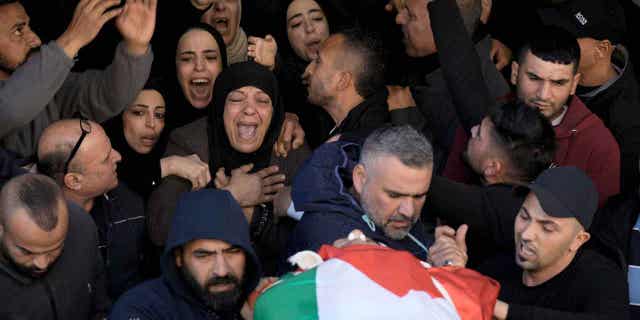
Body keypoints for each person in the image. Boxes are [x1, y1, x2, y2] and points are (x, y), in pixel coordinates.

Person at [148, 61, 310, 275]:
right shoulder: (189, 143)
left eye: (262, 101)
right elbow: (161, 229)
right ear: (220, 107)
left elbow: (309, 241)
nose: (250, 109)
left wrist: (254, 216)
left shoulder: (289, 146)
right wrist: (230, 197)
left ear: (274, 112)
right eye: (236, 99)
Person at [430, 167, 629, 319]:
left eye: (547, 227)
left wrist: (499, 308)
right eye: (525, 216)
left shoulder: (601, 279)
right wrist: (453, 274)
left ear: (578, 240)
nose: (526, 234)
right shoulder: (497, 267)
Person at [0, 0, 156, 159]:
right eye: (18, 31)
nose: (35, 39)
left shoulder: (49, 84)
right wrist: (72, 40)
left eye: (29, 27)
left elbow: (106, 97)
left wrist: (135, 48)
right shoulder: (36, 85)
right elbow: (8, 111)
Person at [425, 100, 557, 266]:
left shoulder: (503, 207)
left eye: (479, 134)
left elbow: (420, 183)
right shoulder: (527, 190)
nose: (472, 130)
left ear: (492, 168)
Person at [286, 125, 434, 269]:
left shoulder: (389, 213)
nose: (408, 211)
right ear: (360, 178)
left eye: (419, 196)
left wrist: (444, 264)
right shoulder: (326, 236)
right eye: (394, 195)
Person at [37, 119, 147, 299]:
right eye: (105, 159)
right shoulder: (35, 235)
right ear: (74, 181)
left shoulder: (130, 205)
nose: (118, 156)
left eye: (111, 148)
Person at [110, 189, 261, 320]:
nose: (221, 270)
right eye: (203, 255)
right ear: (178, 257)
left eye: (232, 252)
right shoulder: (142, 308)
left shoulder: (261, 301)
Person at [538, 0, 640, 193]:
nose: (554, 41)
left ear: (601, 50)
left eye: (568, 37)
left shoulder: (626, 125)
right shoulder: (549, 66)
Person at [0, 174, 110, 319]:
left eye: (55, 249)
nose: (42, 264)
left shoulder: (82, 227)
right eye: (27, 252)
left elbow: (98, 299)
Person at [103, 78, 210, 201]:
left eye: (159, 115)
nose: (151, 124)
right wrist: (169, 165)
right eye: (138, 113)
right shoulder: (98, 158)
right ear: (119, 116)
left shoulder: (171, 146)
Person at [301, 28, 390, 139]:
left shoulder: (361, 146)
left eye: (318, 62)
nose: (308, 69)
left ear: (342, 81)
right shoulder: (358, 129)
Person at [278, 0, 335, 148]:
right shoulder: (281, 86)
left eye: (316, 18)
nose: (309, 28)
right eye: (296, 24)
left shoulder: (359, 71)